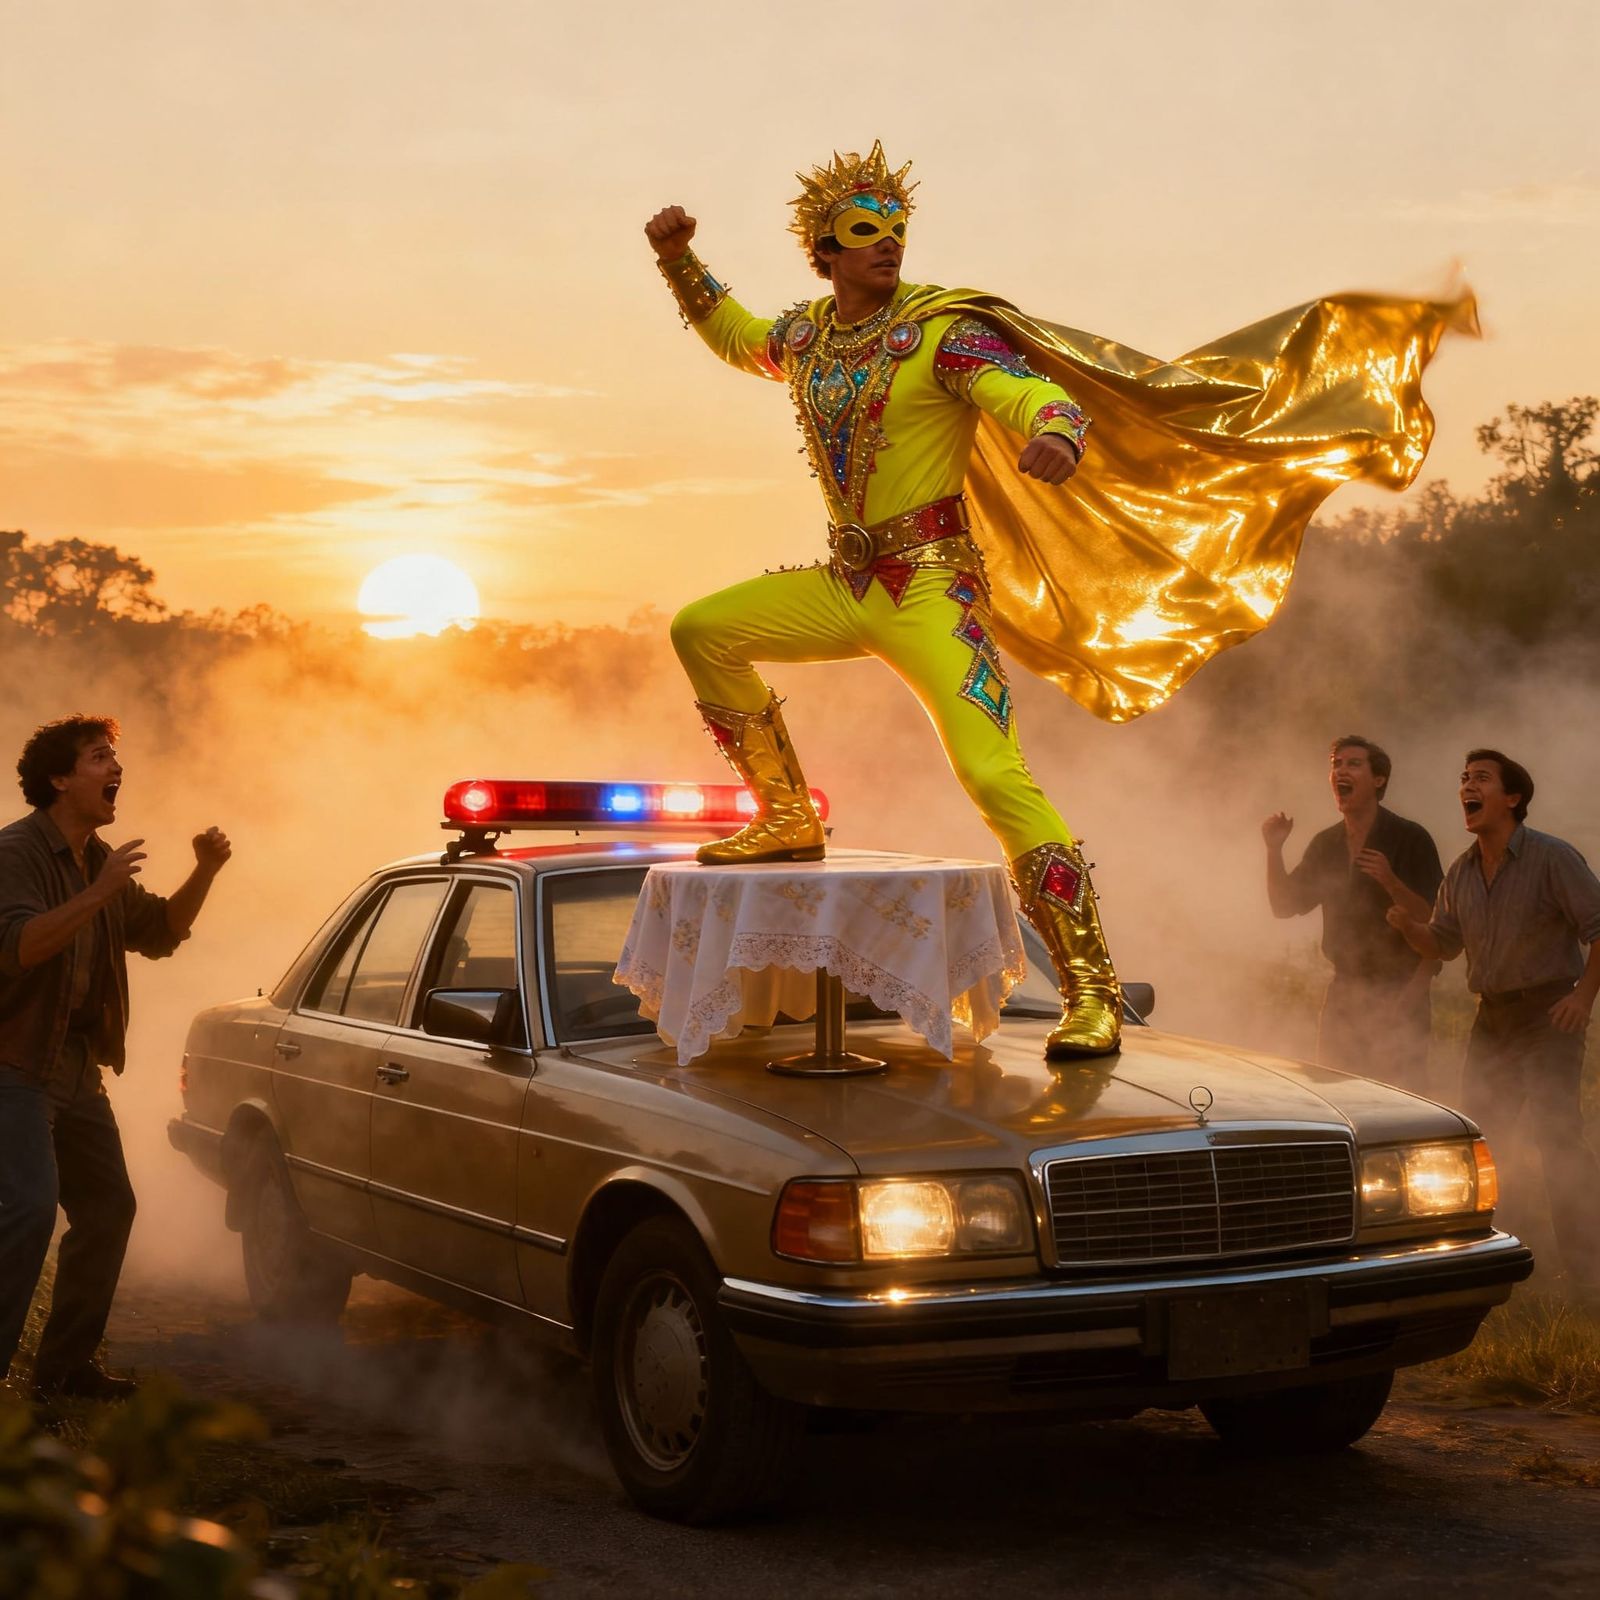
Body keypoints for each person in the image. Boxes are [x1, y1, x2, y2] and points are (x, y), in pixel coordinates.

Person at [645, 142, 1473, 1059]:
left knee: (995, 778)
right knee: (702, 629)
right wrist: (681, 260)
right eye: (863, 231)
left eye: (896, 229)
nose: (888, 244)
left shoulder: (941, 334)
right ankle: (789, 815)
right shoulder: (805, 339)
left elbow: (1029, 390)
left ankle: (1092, 988)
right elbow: (737, 335)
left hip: (930, 594)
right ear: (824, 249)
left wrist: (1058, 431)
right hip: (845, 582)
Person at [0, 716, 231, 1399]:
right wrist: (97, 892)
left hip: (76, 1066)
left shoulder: (93, 857)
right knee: (29, 1210)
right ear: (60, 779)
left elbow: (160, 932)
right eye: (100, 757)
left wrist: (206, 870)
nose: (114, 768)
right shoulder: (17, 853)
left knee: (108, 1209)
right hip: (13, 1064)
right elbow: (17, 947)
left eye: (114, 757)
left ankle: (64, 1371)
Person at [1388, 749, 1600, 1287]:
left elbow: (1599, 927)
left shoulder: (1552, 858)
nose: (1466, 786)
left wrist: (1584, 997)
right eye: (1463, 779)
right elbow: (1442, 944)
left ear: (1512, 797)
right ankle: (1493, 1254)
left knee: (1557, 1136)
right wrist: (1411, 930)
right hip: (1493, 1019)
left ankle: (1588, 1267)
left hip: (1548, 1013)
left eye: (1480, 778)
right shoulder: (1460, 871)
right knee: (1483, 1137)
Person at [1262, 736, 1443, 1086]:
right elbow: (1283, 906)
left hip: (1401, 990)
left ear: (1379, 780)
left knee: (1399, 1099)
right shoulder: (1327, 844)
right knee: (1337, 1094)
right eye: (1336, 763)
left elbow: (1437, 923)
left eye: (1353, 764)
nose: (1341, 770)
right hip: (1345, 992)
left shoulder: (1409, 838)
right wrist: (1273, 851)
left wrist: (1391, 882)